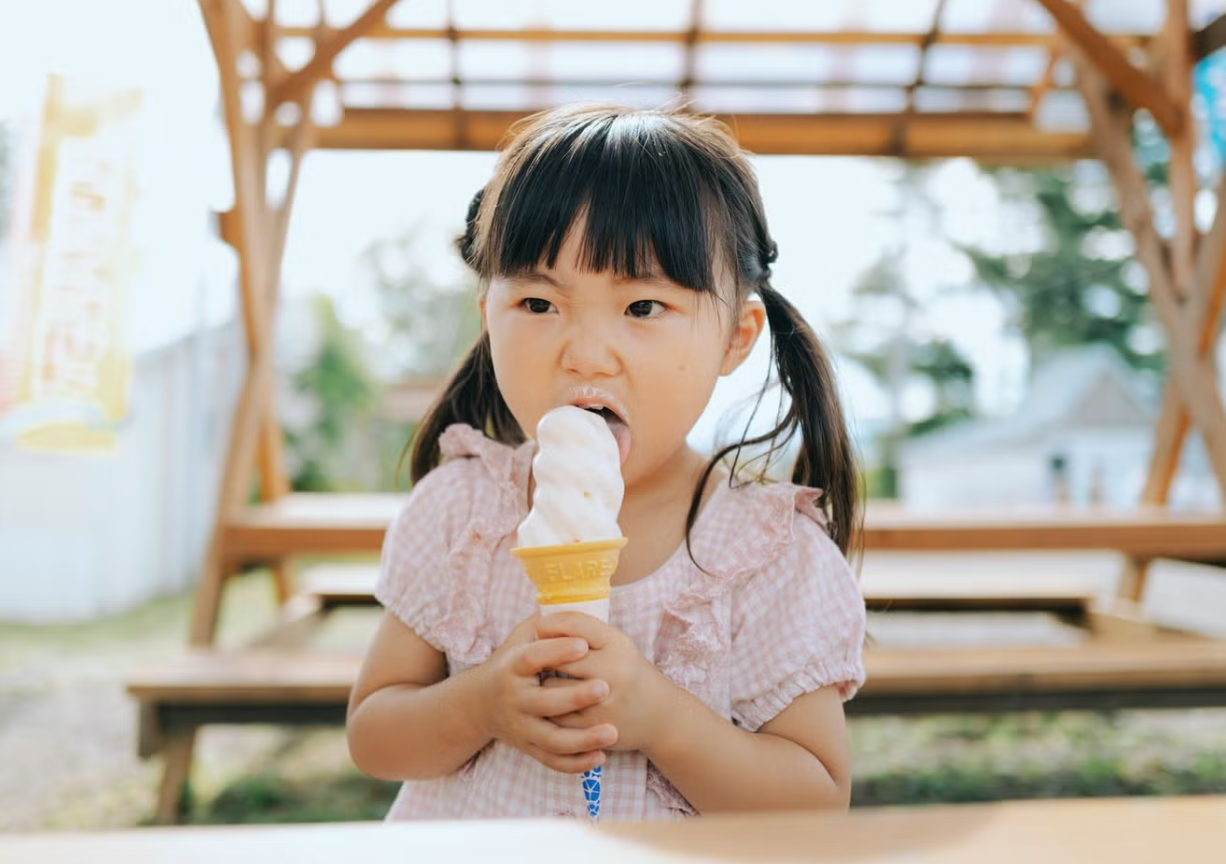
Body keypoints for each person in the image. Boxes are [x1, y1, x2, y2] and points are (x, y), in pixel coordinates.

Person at [346, 102, 867, 820]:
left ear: (734, 339)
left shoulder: (770, 558)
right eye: (537, 303)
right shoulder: (463, 512)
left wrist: (661, 718)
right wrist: (482, 704)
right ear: (487, 318)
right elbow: (375, 738)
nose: (585, 353)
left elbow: (814, 803)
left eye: (644, 307)